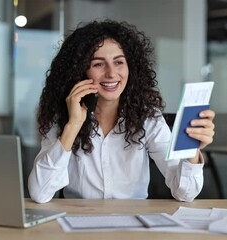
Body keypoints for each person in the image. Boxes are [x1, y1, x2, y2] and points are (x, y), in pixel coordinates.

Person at [28, 19, 215, 203]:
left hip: (133, 225)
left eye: (119, 62)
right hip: (79, 224)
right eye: (98, 64)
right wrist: (73, 125)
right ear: (80, 72)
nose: (111, 73)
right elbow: (40, 193)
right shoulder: (63, 119)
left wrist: (192, 148)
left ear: (130, 67)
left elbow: (185, 193)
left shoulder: (148, 118)